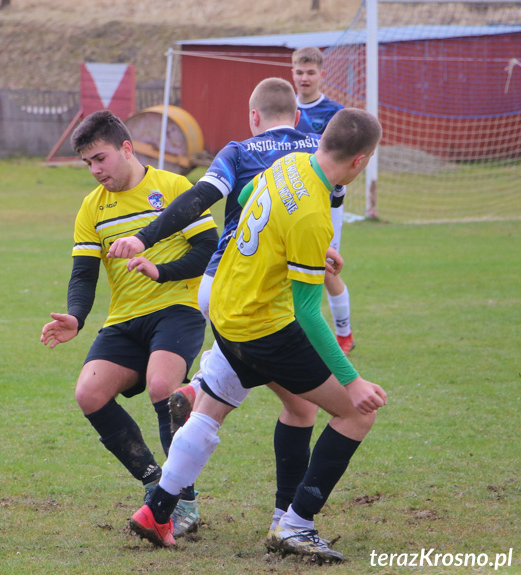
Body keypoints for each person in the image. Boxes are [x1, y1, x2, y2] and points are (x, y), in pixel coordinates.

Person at [129, 109, 387, 564]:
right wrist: (352, 381)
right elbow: (308, 311)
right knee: (355, 415)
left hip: (226, 312)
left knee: (230, 410)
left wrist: (298, 248)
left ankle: (156, 511)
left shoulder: (288, 165)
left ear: (322, 139)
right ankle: (296, 524)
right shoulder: (314, 212)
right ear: (361, 162)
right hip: (266, 327)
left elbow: (248, 195)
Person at [108, 78, 336, 548]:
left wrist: (145, 237)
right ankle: (286, 519)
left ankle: (161, 504)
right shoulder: (319, 149)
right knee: (301, 406)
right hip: (266, 292)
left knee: (217, 401)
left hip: (218, 283)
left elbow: (198, 200)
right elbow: (328, 208)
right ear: (297, 117)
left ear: (253, 117)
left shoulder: (238, 150)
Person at [40, 110, 218, 537]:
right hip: (125, 319)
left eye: (100, 158)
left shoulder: (173, 188)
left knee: (163, 387)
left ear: (126, 148)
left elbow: (209, 248)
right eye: (88, 163)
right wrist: (76, 317)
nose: (95, 170)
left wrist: (162, 271)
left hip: (178, 308)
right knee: (89, 393)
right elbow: (84, 273)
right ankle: (155, 481)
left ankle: (183, 503)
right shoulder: (92, 207)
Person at [292, 46, 355, 355]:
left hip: (326, 204)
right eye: (299, 72)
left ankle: (344, 334)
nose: (304, 78)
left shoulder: (335, 113)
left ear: (321, 75)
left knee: (326, 270)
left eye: (310, 72)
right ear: (292, 73)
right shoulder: (284, 110)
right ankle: (293, 332)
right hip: (290, 203)